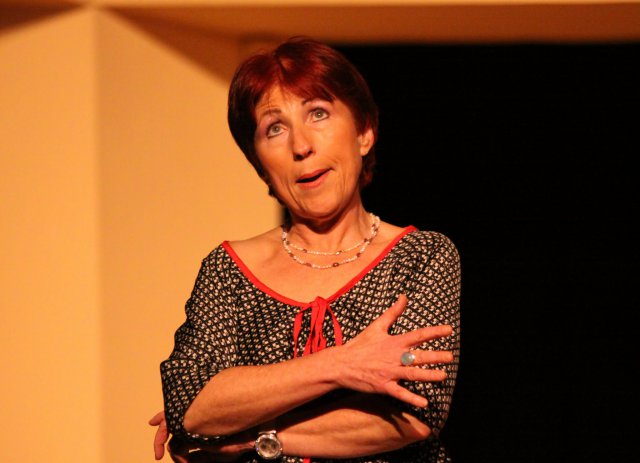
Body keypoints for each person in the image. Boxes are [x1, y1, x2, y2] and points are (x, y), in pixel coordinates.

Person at [149, 37, 461, 463]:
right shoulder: (229, 269)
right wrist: (342, 365)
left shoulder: (421, 256)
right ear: (260, 165)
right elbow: (191, 406)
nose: (300, 146)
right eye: (274, 129)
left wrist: (252, 437)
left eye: (318, 113)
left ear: (364, 132)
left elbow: (416, 412)